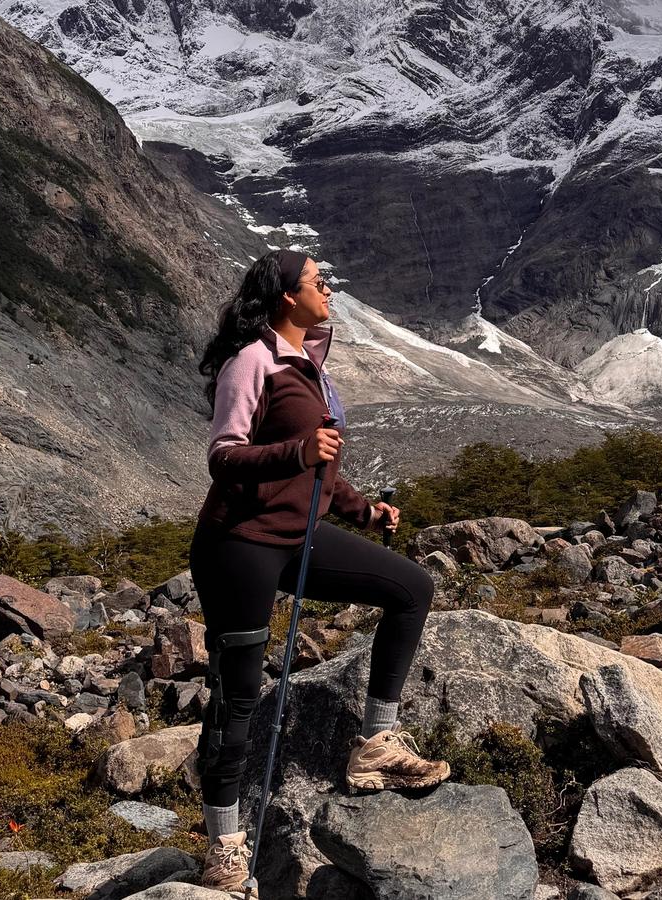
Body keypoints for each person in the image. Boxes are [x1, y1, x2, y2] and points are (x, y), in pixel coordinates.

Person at [191, 249, 450, 897]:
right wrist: (296, 450)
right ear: (286, 297)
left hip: (297, 535)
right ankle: (223, 845)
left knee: (411, 588)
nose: (329, 289)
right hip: (239, 544)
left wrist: (365, 511)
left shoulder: (311, 362)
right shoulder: (253, 361)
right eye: (318, 282)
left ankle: (378, 744)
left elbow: (321, 469)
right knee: (239, 692)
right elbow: (224, 457)